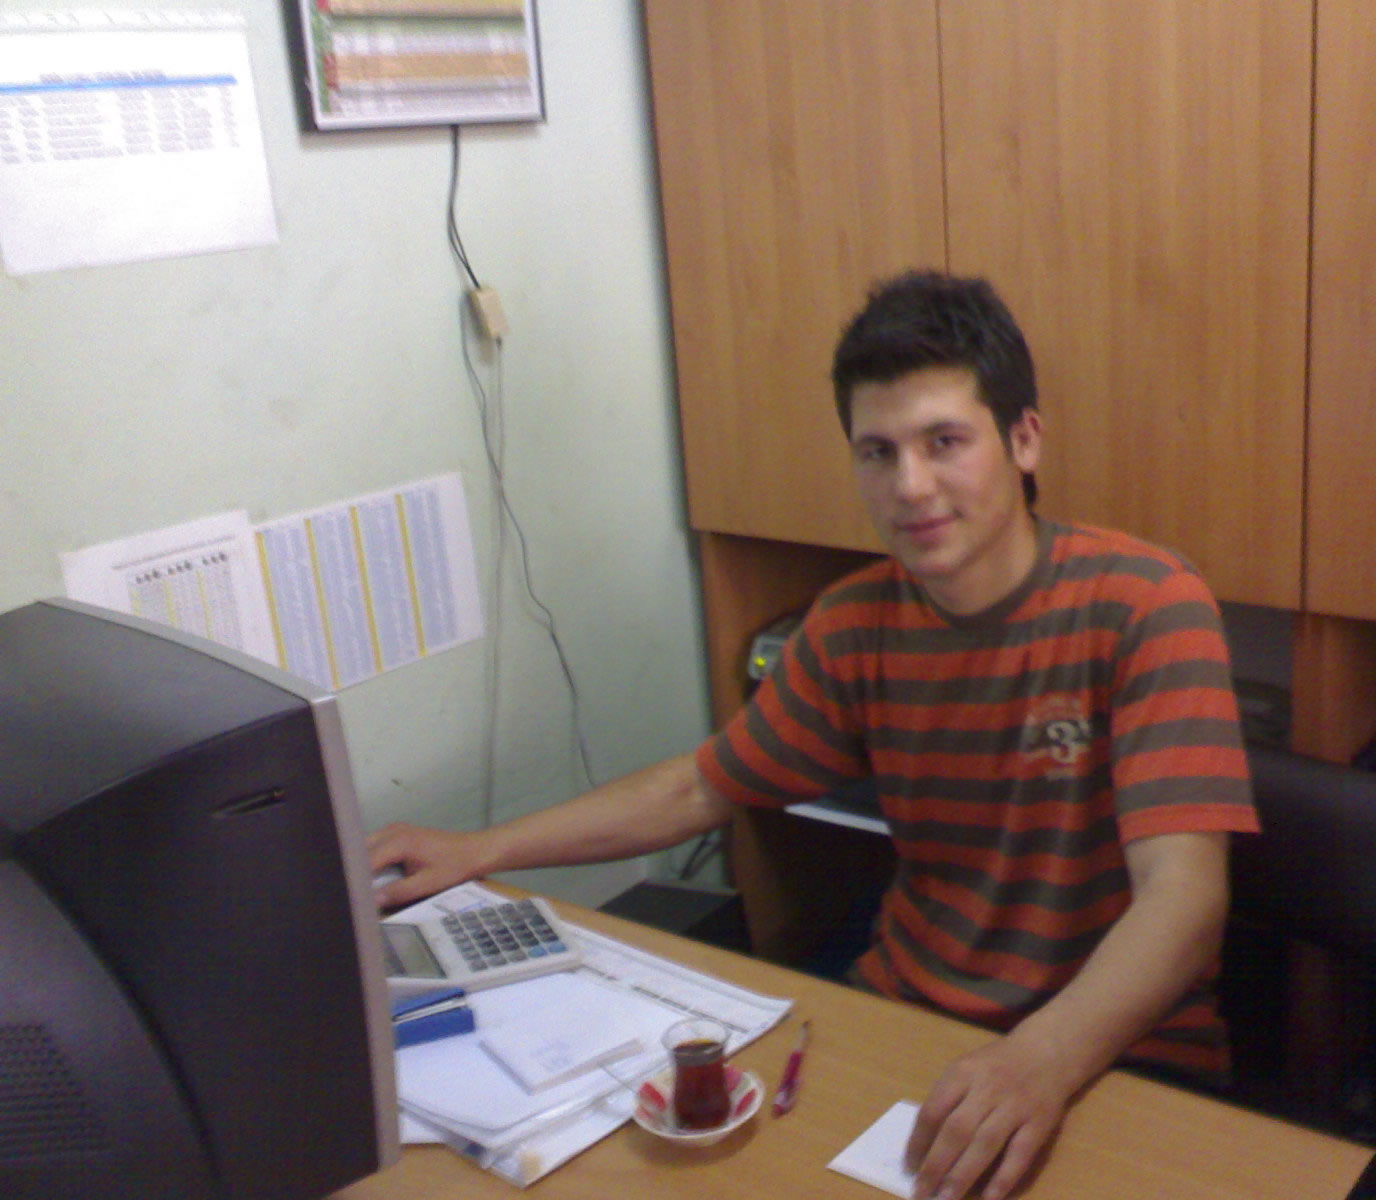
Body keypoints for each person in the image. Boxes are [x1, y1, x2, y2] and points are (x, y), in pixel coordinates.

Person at [370, 270, 1258, 1200]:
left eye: (944, 442)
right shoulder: (854, 623)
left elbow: (1184, 899)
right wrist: (479, 850)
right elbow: (703, 786)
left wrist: (1039, 1060)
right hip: (908, 1019)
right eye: (878, 452)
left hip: (1113, 1050)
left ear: (1023, 439)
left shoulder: (1146, 605)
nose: (910, 486)